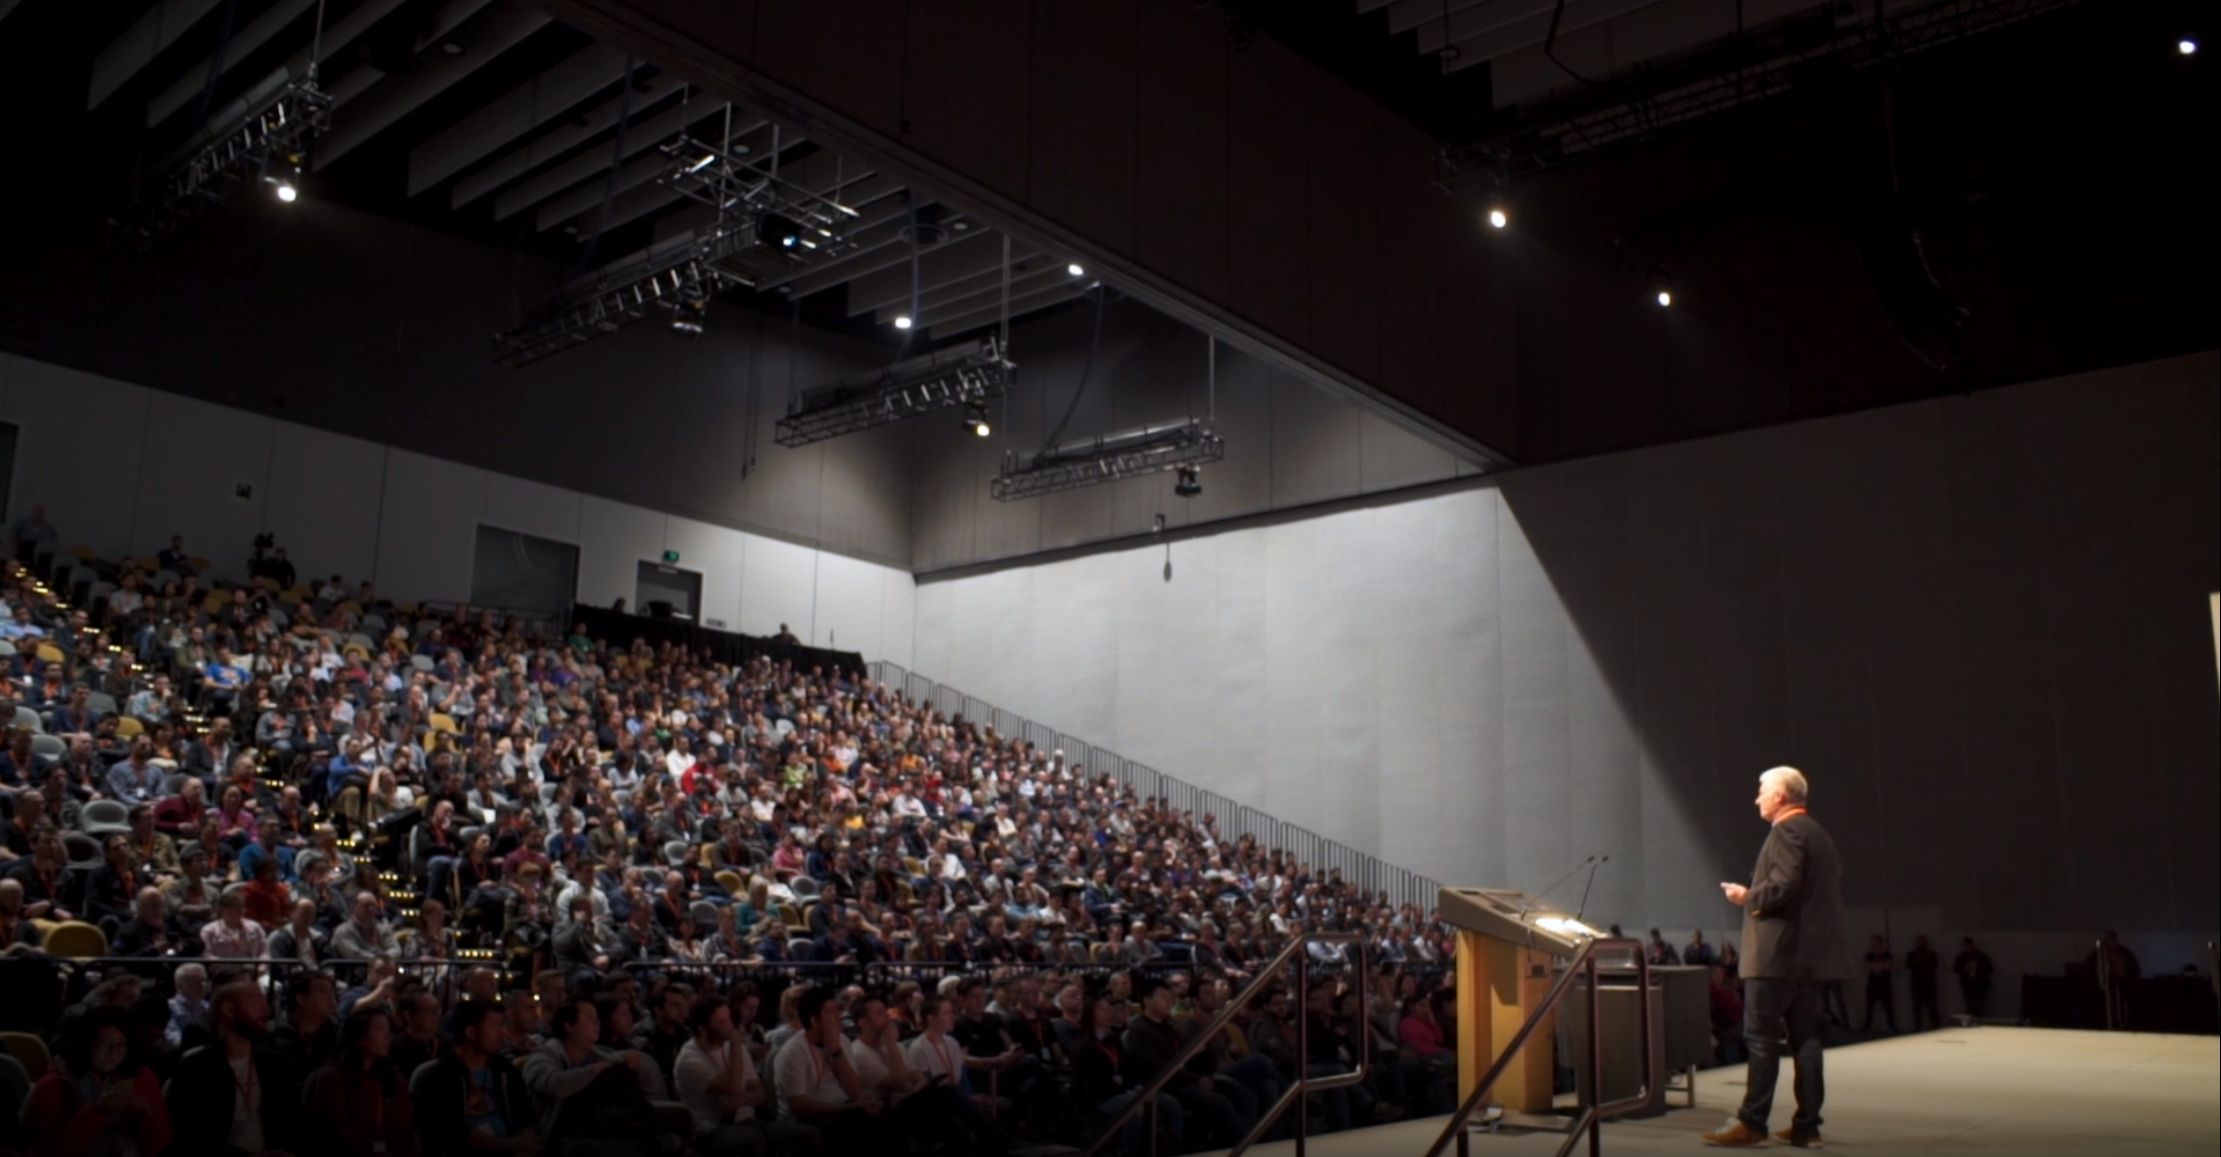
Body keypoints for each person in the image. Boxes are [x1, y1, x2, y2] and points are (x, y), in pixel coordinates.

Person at [1702, 766, 1853, 1150]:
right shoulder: (1819, 835)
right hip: (1807, 960)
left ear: (1781, 796)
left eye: (1762, 791)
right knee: (1807, 1040)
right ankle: (1807, 1126)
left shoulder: (1786, 831)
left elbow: (1783, 885)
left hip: (1775, 957)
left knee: (1761, 1040)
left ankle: (1752, 1122)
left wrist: (1746, 896)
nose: (1757, 798)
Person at [672, 994, 822, 1156]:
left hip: (748, 1121)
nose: (730, 1026)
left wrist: (744, 1099)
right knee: (754, 1139)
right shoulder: (690, 1059)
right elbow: (733, 1088)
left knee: (810, 1134)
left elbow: (760, 1094)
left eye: (729, 1019)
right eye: (722, 1022)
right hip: (710, 1129)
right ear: (702, 1029)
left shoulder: (732, 1048)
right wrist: (736, 1042)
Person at [168, 978, 301, 1155]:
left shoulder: (275, 1064)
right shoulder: (196, 1069)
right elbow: (191, 1139)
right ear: (229, 1010)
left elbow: (292, 1125)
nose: (267, 1010)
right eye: (256, 1001)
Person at [518, 998, 664, 1157]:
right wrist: (594, 1071)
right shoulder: (545, 1055)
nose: (597, 1022)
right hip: (565, 1137)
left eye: (597, 1017)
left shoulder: (602, 1055)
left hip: (608, 1129)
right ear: (569, 1026)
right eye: (589, 1017)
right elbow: (552, 1086)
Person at [21, 1006, 174, 1156]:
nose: (112, 1052)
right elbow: (46, 1151)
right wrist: (98, 1111)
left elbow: (158, 1147)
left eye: (120, 1045)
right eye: (104, 1044)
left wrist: (147, 1115)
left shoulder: (141, 1078)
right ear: (87, 1044)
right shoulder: (54, 1085)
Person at [411, 999, 545, 1157]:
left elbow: (525, 1115)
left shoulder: (505, 1070)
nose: (502, 1032)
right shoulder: (439, 1076)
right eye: (496, 1026)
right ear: (471, 1033)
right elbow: (451, 1132)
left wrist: (526, 1144)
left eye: (502, 1025)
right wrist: (511, 1145)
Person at [306, 1007, 421, 1157]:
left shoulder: (394, 1077)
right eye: (380, 1029)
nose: (388, 1036)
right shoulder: (333, 1077)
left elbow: (407, 1128)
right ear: (360, 1038)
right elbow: (341, 1132)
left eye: (388, 1029)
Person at [1860, 934, 1897, 1034]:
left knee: (1888, 1006)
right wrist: (1881, 966)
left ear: (1881, 942)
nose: (1874, 943)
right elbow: (1870, 967)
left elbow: (1888, 966)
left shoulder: (1887, 954)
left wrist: (1877, 967)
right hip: (1872, 984)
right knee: (1870, 1007)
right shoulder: (1869, 955)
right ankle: (1866, 1027)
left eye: (1876, 941)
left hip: (1885, 984)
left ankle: (1892, 1027)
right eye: (1873, 941)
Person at [1905, 935, 1942, 1030]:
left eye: (1922, 942)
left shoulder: (1932, 954)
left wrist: (1920, 963)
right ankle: (1917, 1027)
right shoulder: (1912, 954)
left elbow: (1934, 965)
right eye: (1918, 942)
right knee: (1917, 1008)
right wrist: (1919, 963)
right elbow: (1908, 965)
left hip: (1929, 984)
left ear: (1925, 943)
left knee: (1932, 1007)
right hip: (1917, 984)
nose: (1920, 944)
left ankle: (1937, 1027)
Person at [1954, 937, 1995, 1020]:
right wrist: (1964, 968)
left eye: (1970, 945)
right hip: (1968, 984)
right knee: (1970, 1006)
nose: (1968, 947)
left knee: (1979, 1006)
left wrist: (1978, 968)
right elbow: (1955, 968)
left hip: (1980, 984)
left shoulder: (1982, 956)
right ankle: (1971, 1023)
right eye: (1966, 946)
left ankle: (1979, 1022)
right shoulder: (1962, 957)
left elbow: (1990, 969)